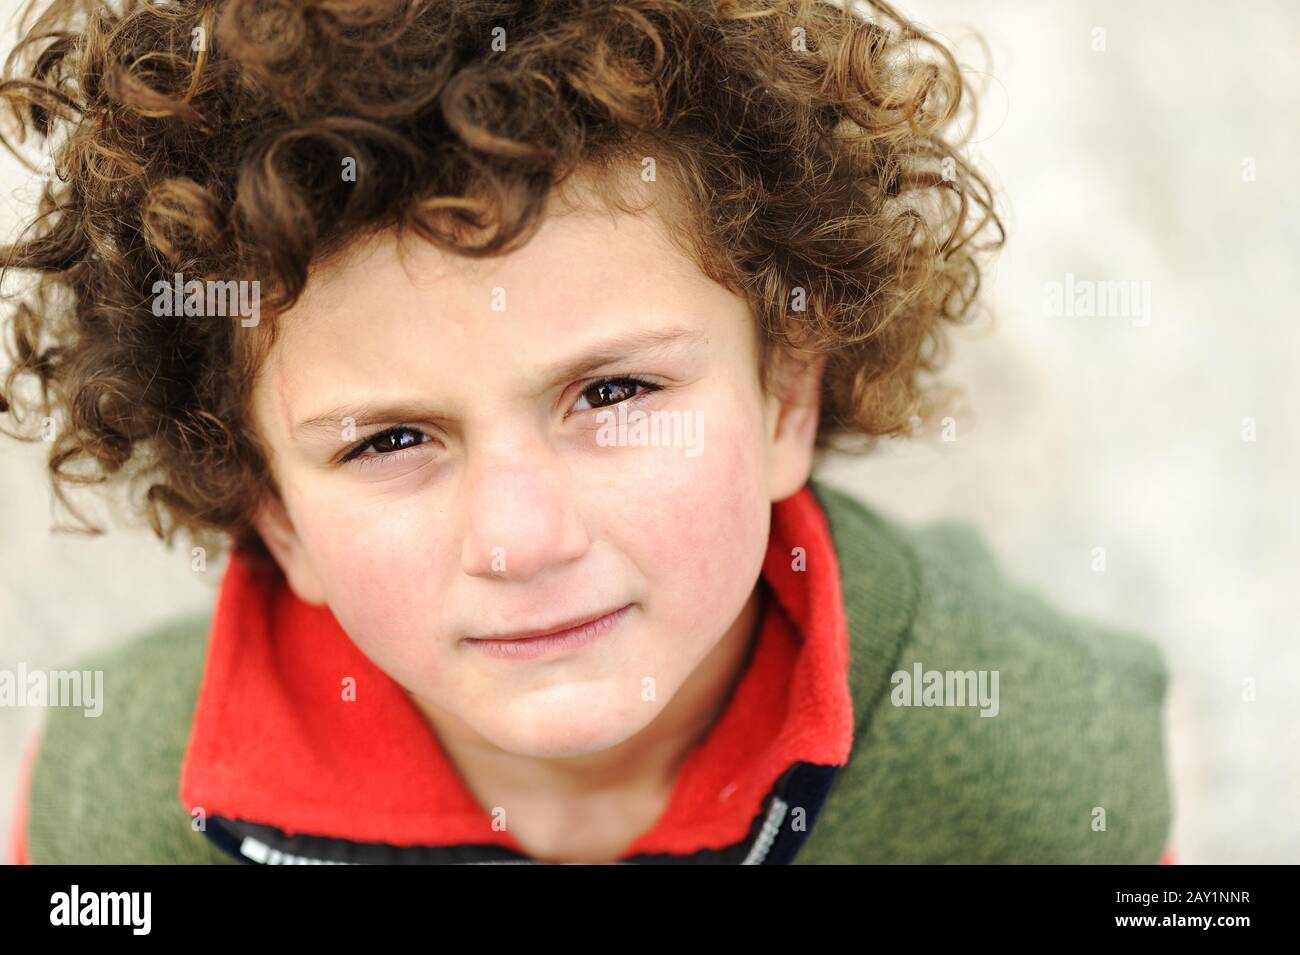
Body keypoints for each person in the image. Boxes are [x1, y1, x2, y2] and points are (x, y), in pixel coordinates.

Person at [0, 0, 1173, 864]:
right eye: (389, 441)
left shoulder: (1031, 771)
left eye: (612, 394)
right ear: (273, 513)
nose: (520, 539)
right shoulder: (121, 813)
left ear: (785, 400)